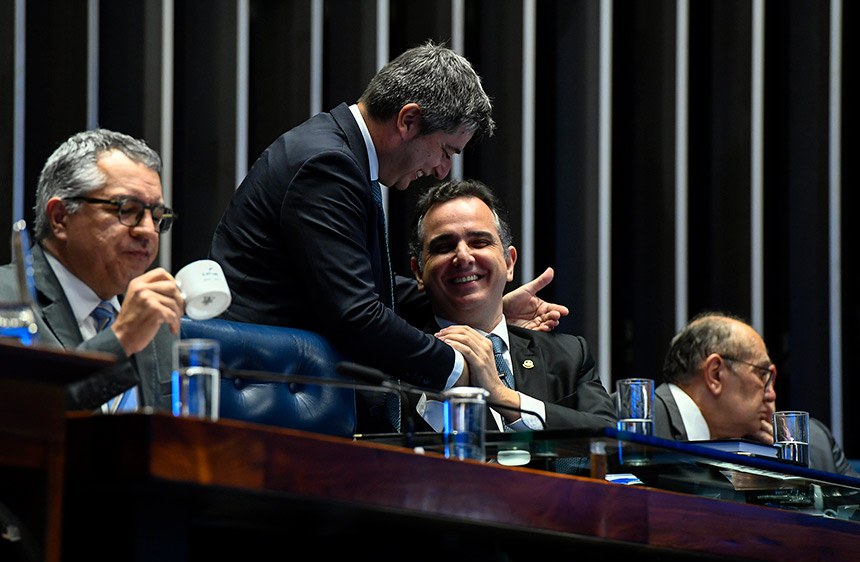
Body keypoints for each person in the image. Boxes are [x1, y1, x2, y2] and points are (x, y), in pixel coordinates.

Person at [209, 41, 568, 433]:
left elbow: (353, 285)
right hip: (266, 401)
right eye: (446, 150)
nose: (442, 171)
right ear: (408, 121)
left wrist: (483, 301)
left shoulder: (337, 151)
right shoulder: (327, 165)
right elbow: (356, 314)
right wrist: (460, 367)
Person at [406, 179, 615, 432]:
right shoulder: (397, 361)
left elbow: (612, 441)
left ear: (509, 262)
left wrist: (503, 397)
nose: (463, 256)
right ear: (418, 272)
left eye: (479, 242)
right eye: (443, 247)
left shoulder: (567, 355)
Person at [0, 128, 184, 411]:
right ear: (61, 218)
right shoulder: (7, 301)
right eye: (127, 209)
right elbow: (24, 417)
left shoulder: (155, 318)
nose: (148, 231)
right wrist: (120, 340)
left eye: (157, 216)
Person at [656, 311, 858, 477]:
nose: (771, 395)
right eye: (762, 375)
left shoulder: (815, 445)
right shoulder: (640, 426)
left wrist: (793, 474)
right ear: (715, 374)